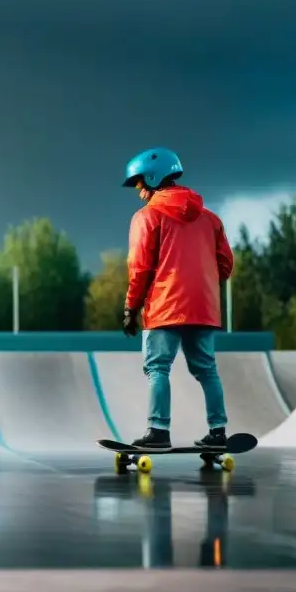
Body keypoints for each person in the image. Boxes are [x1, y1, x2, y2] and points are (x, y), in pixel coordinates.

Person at [121, 147, 235, 451]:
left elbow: (140, 267)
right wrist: (202, 282)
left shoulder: (148, 217)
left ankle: (158, 431)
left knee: (158, 368)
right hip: (203, 307)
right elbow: (226, 264)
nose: (140, 193)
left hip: (165, 306)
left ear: (153, 178)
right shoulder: (210, 219)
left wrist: (131, 308)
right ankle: (218, 431)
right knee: (207, 369)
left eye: (140, 185)